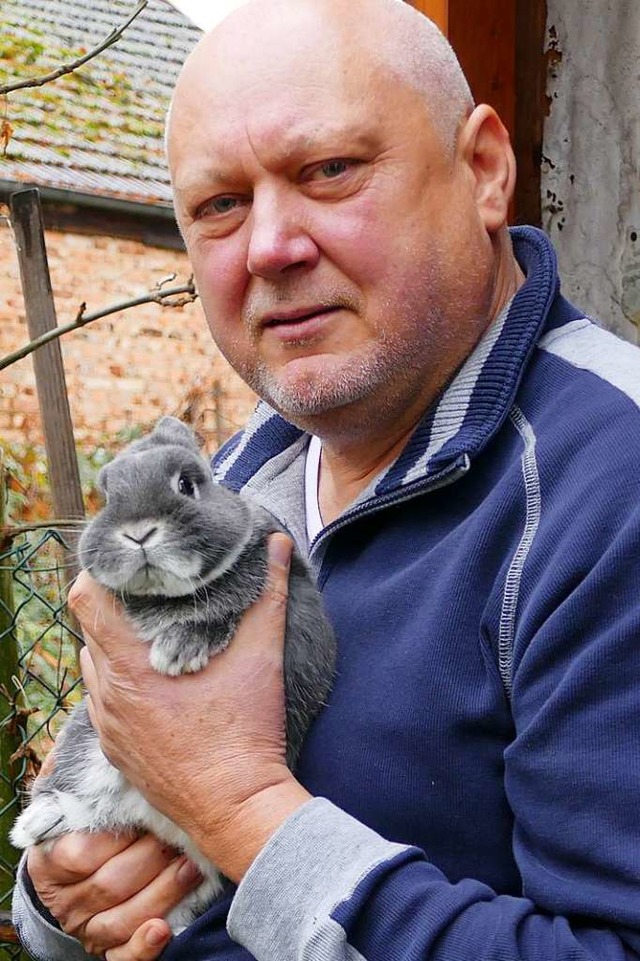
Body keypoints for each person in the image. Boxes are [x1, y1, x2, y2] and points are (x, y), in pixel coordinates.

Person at [12, 0, 640, 958]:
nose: (270, 246)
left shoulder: (610, 484)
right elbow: (111, 831)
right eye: (220, 205)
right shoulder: (231, 478)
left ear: (482, 170)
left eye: (330, 171)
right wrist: (65, 894)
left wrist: (240, 808)